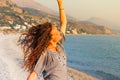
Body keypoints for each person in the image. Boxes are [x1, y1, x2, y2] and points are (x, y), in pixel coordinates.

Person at [19, 0, 67, 80]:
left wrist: (60, 4)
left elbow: (63, 23)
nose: (59, 33)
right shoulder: (45, 53)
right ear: (49, 38)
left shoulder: (59, 45)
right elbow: (34, 74)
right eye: (56, 32)